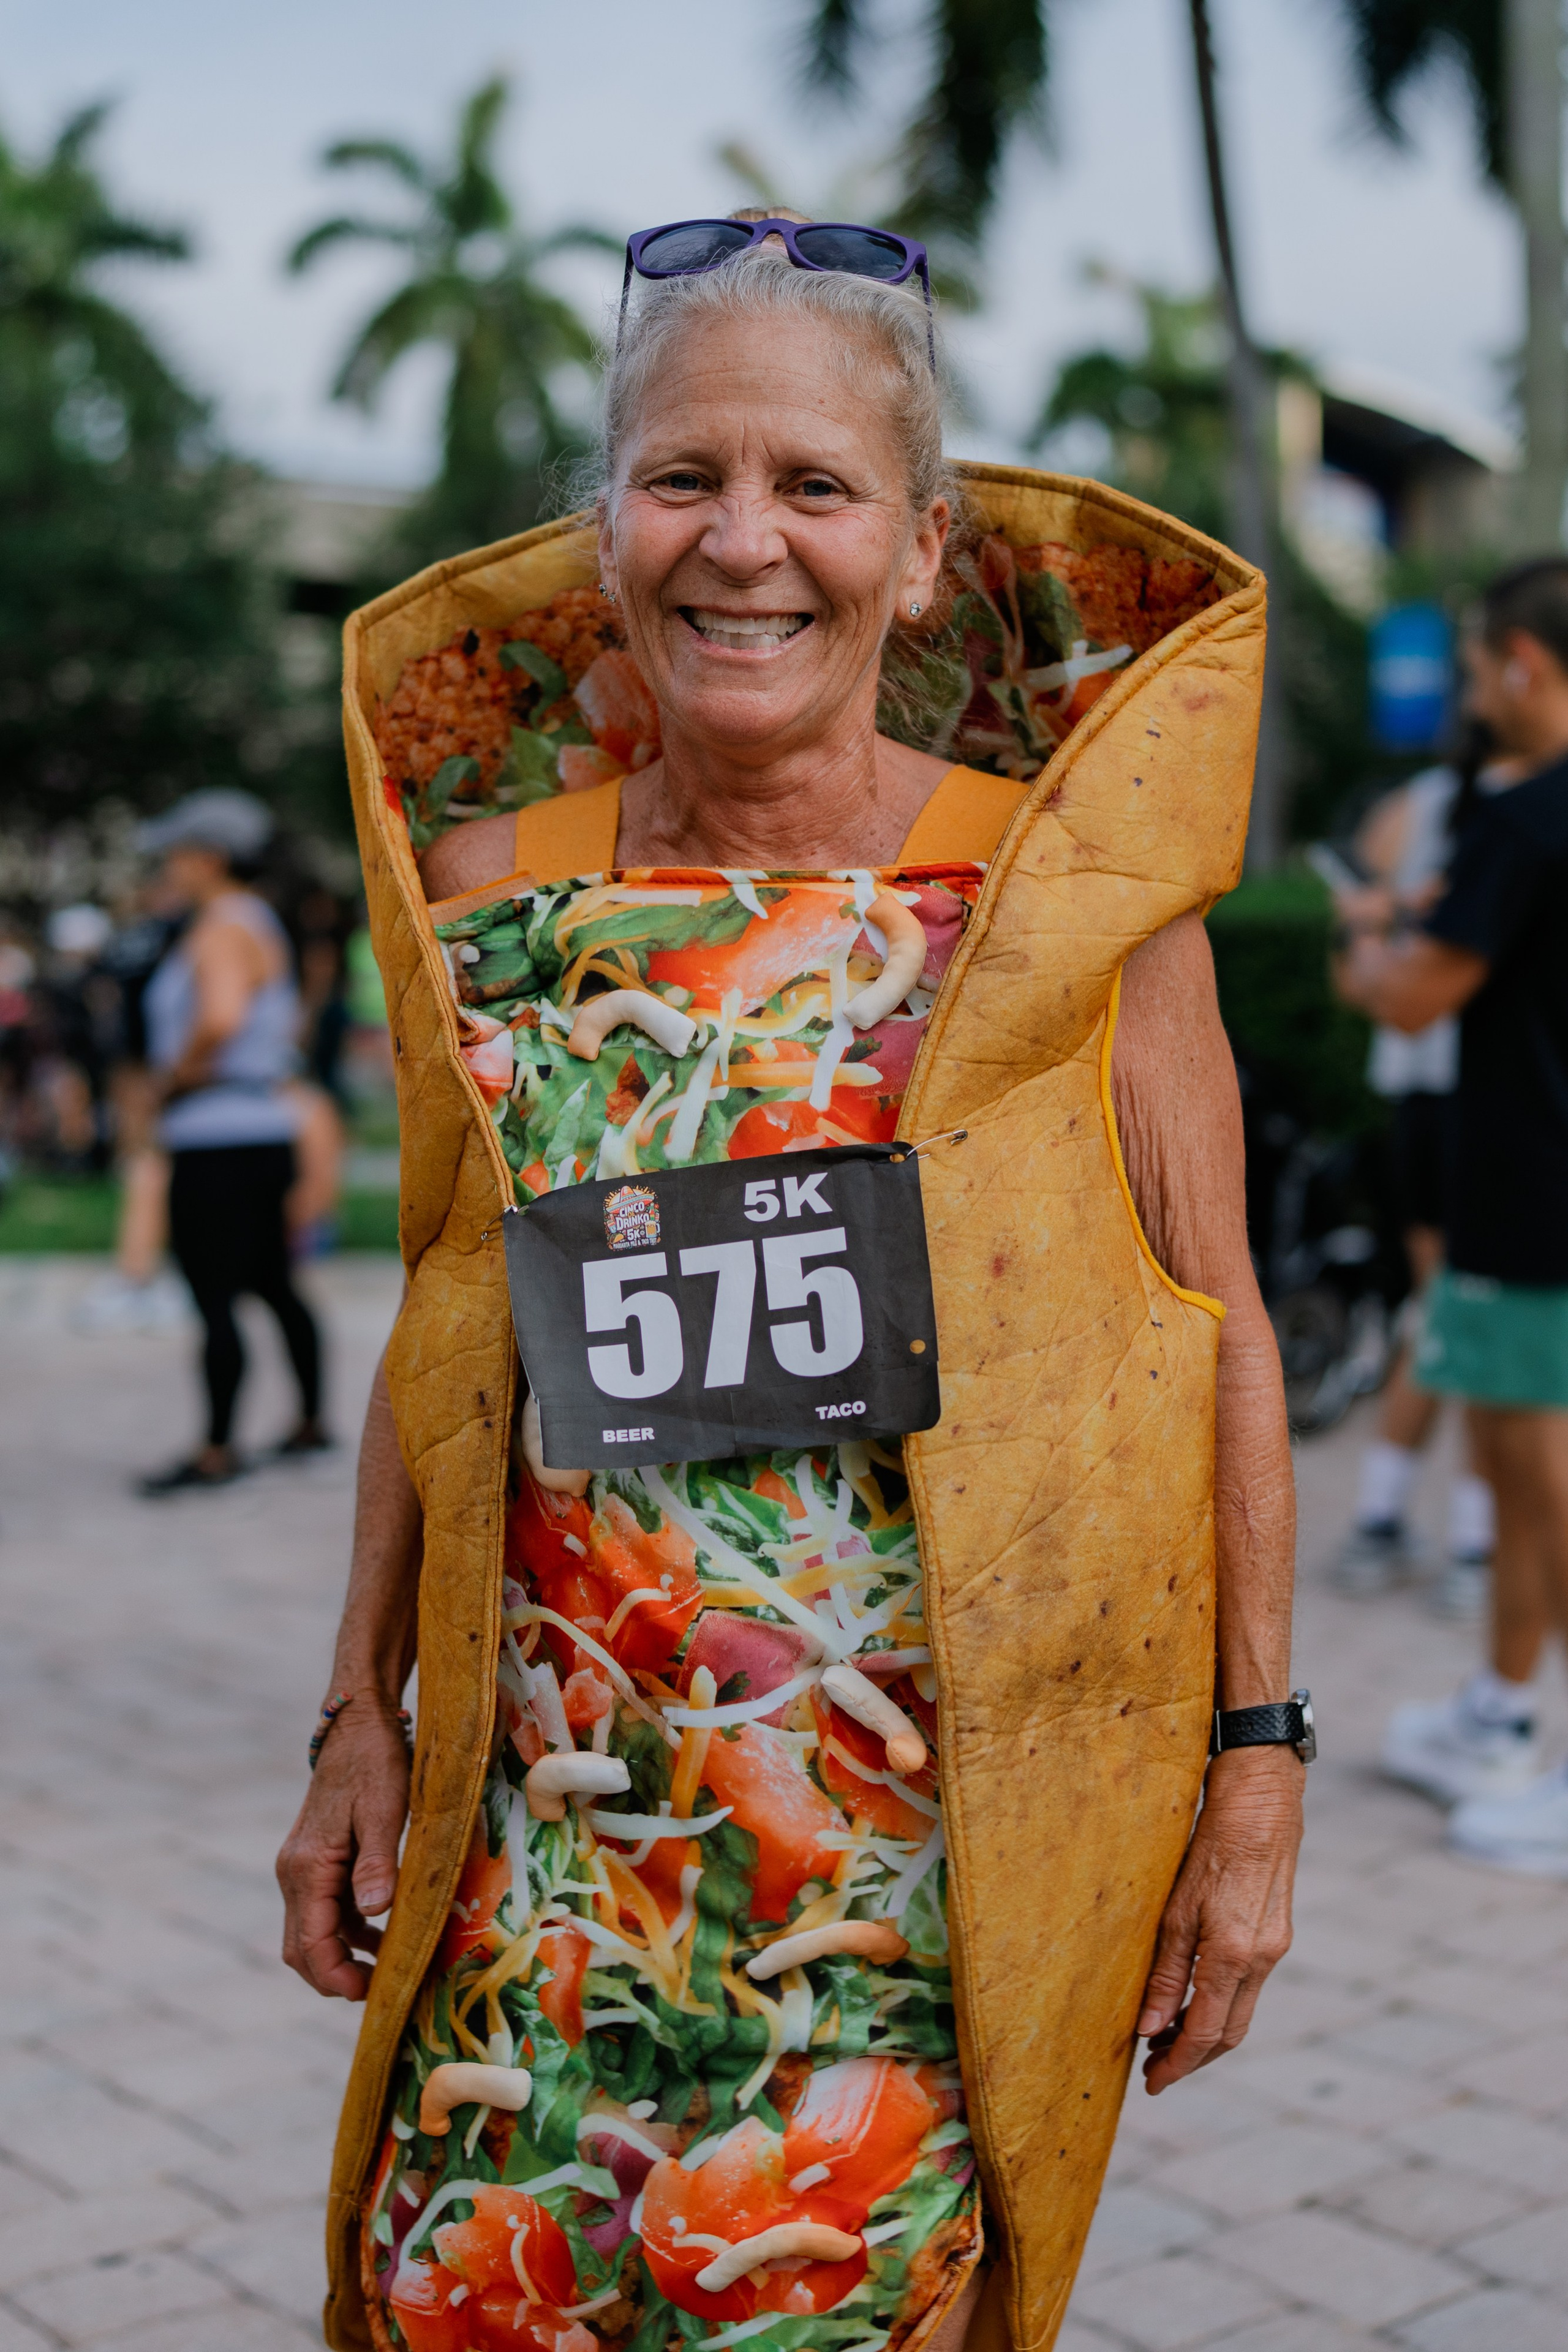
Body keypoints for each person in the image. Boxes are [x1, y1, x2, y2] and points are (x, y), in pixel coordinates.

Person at [279, 221, 1302, 2352]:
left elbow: (1222, 1333)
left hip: (914, 1867)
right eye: (685, 478)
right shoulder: (490, 894)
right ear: (606, 537)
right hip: (549, 1840)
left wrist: (1258, 1767)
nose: (745, 543)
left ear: (920, 555)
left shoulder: (1072, 916)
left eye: (815, 488)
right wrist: (352, 1717)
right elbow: (444, 1326)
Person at [1336, 558, 1568, 1853]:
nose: (1474, 694)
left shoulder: (1521, 816)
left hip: (1527, 1198)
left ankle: (1538, 1753)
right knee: (1513, 1472)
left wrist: (1361, 948)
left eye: (1479, 670)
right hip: (1531, 1193)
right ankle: (1496, 1709)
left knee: (1537, 1480)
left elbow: (1412, 996)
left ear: (1523, 665)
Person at [1330, 754, 1498, 1615]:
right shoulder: (1500, 799)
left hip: (1440, 1095)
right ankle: (1471, 1539)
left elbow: (1356, 944)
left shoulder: (1421, 800)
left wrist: (1373, 917)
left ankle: (1387, 1518)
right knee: (1476, 1311)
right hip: (1474, 1095)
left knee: (1447, 1309)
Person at [137, 790, 328, 1490]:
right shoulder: (260, 921)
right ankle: (309, 1422)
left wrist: (172, 1082)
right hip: (262, 1128)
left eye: (175, 854)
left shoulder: (218, 925)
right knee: (275, 1284)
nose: (168, 867)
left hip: (213, 1133)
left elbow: (219, 1017)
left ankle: (217, 1448)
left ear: (208, 858)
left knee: (214, 1294)